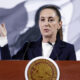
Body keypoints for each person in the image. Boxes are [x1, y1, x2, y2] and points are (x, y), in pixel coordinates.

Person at [1, 5, 76, 60]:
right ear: (38, 24)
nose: (46, 24)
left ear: (59, 24)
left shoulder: (68, 49)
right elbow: (9, 67)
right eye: (43, 20)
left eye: (51, 20)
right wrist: (3, 39)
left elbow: (73, 75)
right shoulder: (28, 47)